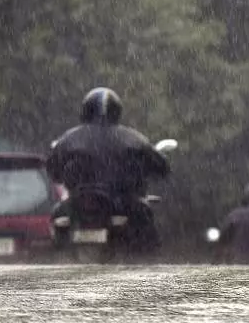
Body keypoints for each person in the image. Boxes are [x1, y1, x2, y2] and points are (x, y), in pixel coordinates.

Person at [46, 87, 170, 253]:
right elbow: (161, 167)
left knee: (57, 215)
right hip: (122, 201)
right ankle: (147, 259)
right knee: (146, 220)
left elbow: (53, 170)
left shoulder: (69, 139)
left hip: (79, 201)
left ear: (86, 110)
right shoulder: (132, 138)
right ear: (116, 111)